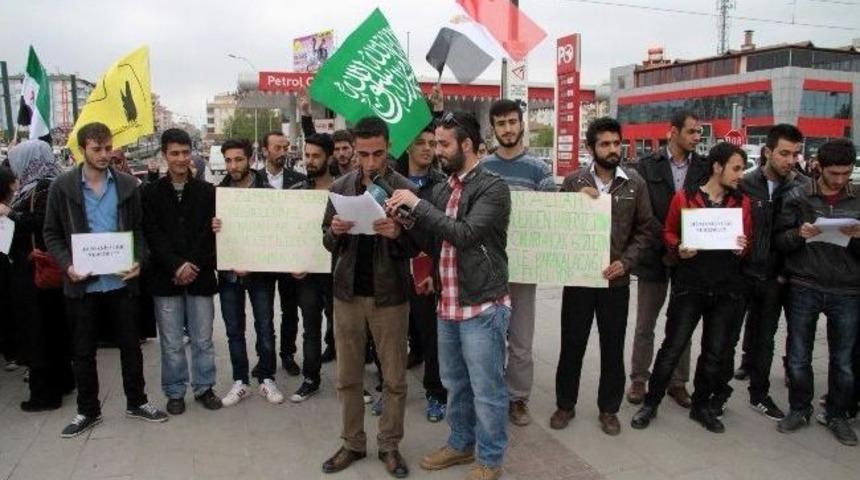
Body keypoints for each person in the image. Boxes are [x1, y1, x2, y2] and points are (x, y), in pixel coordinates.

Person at [388, 111, 512, 480]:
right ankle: (460, 444)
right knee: (455, 384)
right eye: (435, 143)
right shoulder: (443, 189)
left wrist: (418, 204)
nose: (436, 150)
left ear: (466, 145)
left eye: (443, 144)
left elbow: (465, 234)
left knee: (486, 389)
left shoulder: (493, 187)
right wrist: (405, 220)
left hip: (483, 305)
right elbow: (435, 241)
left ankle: (490, 460)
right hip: (448, 303)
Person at [43, 122, 168, 438]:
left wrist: (139, 260)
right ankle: (88, 410)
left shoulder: (127, 185)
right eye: (96, 149)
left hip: (121, 283)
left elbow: (139, 230)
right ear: (82, 149)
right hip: (82, 285)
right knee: (83, 351)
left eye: (108, 148)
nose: (104, 154)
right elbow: (51, 233)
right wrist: (68, 265)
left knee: (131, 346)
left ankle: (137, 401)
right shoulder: (62, 187)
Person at [631, 142, 751, 434]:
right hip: (690, 286)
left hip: (725, 288)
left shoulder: (742, 202)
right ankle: (651, 403)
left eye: (743, 169)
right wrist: (679, 247)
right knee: (673, 346)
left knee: (714, 352)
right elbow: (669, 231)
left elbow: (746, 238)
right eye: (736, 168)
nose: (740, 175)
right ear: (717, 167)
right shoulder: (685, 197)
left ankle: (701, 406)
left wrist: (742, 246)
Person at [320, 117, 414, 478]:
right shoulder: (340, 187)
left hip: (390, 297)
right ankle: (352, 443)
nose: (370, 162)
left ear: (388, 147)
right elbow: (326, 241)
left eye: (377, 153)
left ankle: (389, 445)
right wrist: (335, 231)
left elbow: (421, 244)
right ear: (353, 152)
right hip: (347, 295)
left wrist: (398, 235)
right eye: (363, 154)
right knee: (347, 376)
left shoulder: (404, 188)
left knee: (394, 379)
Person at [550, 117, 654, 435]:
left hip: (615, 282)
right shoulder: (573, 181)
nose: (612, 149)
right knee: (572, 345)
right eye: (605, 144)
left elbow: (646, 230)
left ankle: (609, 409)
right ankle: (565, 405)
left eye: (616, 143)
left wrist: (626, 262)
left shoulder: (634, 183)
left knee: (612, 347)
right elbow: (558, 225)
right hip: (579, 280)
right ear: (591, 147)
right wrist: (575, 202)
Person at [774, 138, 860, 446]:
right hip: (805, 284)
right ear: (818, 168)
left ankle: (837, 413)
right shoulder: (797, 196)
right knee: (799, 356)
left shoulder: (858, 198)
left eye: (845, 173)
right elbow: (779, 241)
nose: (839, 180)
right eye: (833, 173)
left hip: (848, 288)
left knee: (844, 361)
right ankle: (799, 408)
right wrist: (799, 234)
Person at [481, 99, 556, 426]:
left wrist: (585, 200)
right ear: (493, 129)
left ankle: (518, 399)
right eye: (501, 123)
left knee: (521, 342)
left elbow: (553, 214)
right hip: (488, 270)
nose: (508, 129)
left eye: (512, 122)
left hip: (525, 270)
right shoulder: (482, 168)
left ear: (521, 124)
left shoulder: (539, 170)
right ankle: (491, 395)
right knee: (489, 339)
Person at [627, 110, 708, 408]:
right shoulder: (647, 165)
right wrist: (670, 239)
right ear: (673, 132)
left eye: (699, 132)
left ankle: (678, 381)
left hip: (691, 257)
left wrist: (689, 241)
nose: (696, 137)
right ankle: (639, 378)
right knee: (645, 323)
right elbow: (642, 211)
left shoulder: (703, 167)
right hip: (653, 255)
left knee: (683, 322)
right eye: (691, 131)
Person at [142, 129, 221, 414]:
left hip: (200, 276)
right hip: (166, 277)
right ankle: (175, 391)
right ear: (164, 155)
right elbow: (152, 234)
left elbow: (209, 234)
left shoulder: (207, 192)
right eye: (174, 153)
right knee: (172, 343)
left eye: (185, 153)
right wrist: (176, 265)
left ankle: (204, 387)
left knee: (203, 340)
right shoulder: (149, 192)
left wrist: (192, 265)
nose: (180, 158)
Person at [734, 125, 808, 421]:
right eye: (784, 153)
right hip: (742, 273)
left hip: (777, 276)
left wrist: (783, 273)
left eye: (795, 154)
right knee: (726, 335)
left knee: (766, 338)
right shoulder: (745, 183)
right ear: (768, 152)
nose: (790, 160)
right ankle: (715, 392)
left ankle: (759, 394)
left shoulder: (802, 187)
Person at [212, 138, 284, 406]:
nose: (233, 166)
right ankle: (240, 380)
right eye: (228, 160)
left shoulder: (267, 192)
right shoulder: (218, 194)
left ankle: (267, 377)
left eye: (238, 159)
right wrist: (214, 227)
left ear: (251, 159)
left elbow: (276, 232)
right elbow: (210, 238)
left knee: (265, 326)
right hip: (229, 274)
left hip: (261, 274)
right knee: (234, 329)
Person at [6, 141, 74, 412]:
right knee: (54, 330)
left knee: (40, 333)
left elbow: (44, 224)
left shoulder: (43, 188)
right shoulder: (48, 184)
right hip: (47, 270)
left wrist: (11, 214)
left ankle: (45, 394)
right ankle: (64, 381)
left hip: (39, 270)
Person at [394, 125, 448, 422]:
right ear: (408, 147)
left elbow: (443, 230)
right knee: (392, 335)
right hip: (394, 267)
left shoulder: (442, 185)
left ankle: (436, 393)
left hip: (428, 269)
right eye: (421, 142)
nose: (428, 148)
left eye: (432, 143)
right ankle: (389, 390)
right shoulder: (391, 181)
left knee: (432, 335)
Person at [285, 133, 336, 403]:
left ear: (329, 157)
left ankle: (351, 382)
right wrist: (294, 261)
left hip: (339, 272)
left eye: (316, 156)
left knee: (345, 330)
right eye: (307, 155)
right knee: (311, 327)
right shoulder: (297, 192)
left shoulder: (344, 189)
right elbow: (288, 232)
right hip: (307, 273)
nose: (310, 160)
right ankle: (310, 378)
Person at [258, 130, 306, 377]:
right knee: (263, 313)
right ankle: (263, 358)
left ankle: (287, 354)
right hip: (263, 256)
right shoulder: (253, 180)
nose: (282, 152)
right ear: (264, 150)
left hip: (290, 255)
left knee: (290, 311)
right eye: (277, 147)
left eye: (285, 147)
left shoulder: (300, 180)